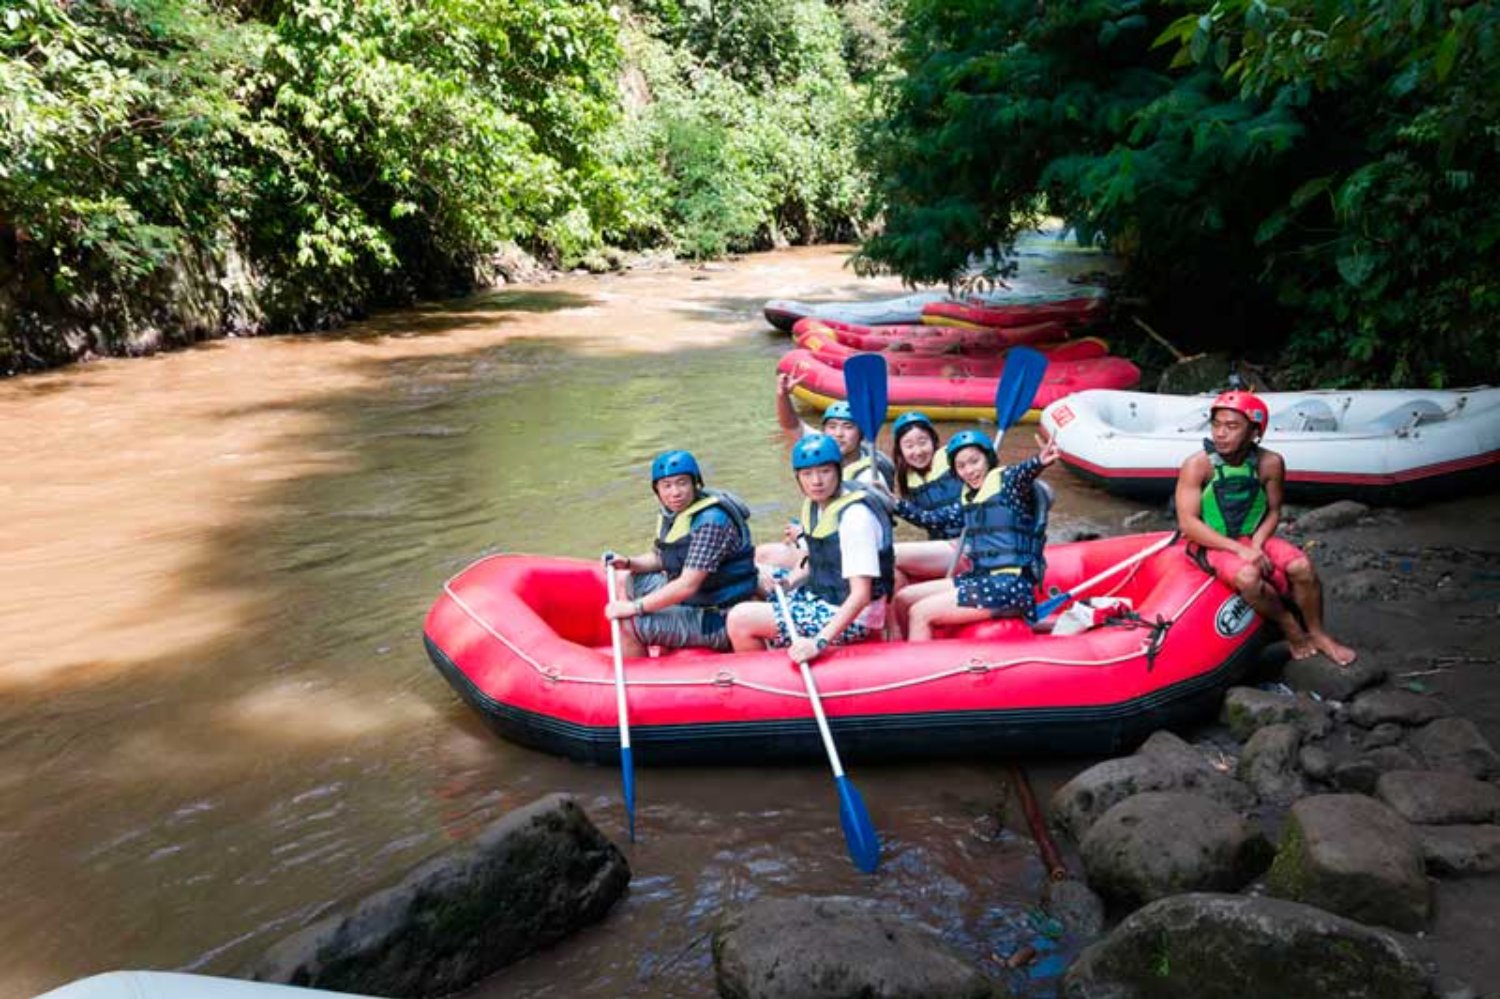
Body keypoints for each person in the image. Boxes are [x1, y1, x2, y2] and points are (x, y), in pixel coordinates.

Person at [1175, 390, 1357, 665]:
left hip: (1253, 536)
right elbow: (1188, 524)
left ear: (1254, 432)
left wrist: (1257, 545)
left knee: (1302, 567)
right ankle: (1290, 626)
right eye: (1216, 424)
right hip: (1210, 543)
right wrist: (1240, 550)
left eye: (1232, 426)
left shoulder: (1271, 463)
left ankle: (1318, 633)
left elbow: (1273, 511)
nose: (1220, 433)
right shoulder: (1197, 466)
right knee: (1248, 577)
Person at [727, 434, 894, 663]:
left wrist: (818, 642)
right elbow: (817, 562)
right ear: (798, 477)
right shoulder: (816, 506)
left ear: (838, 471)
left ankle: (763, 676)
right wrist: (788, 583)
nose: (816, 481)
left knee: (739, 619)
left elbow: (861, 595)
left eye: (825, 471)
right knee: (753, 576)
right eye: (807, 474)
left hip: (853, 617)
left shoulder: (855, 517)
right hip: (820, 596)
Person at [892, 428, 1058, 642]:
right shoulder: (968, 499)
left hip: (1009, 585)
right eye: (961, 466)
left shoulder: (1007, 484)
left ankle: (918, 659)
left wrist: (1040, 461)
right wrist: (894, 503)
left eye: (974, 461)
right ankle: (905, 650)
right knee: (903, 598)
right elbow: (930, 518)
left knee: (919, 612)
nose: (969, 470)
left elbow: (1023, 473)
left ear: (987, 459)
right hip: (980, 578)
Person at [604, 449, 758, 655]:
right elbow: (661, 557)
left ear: (695, 483)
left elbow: (687, 585)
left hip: (717, 617)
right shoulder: (675, 513)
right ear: (657, 490)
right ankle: (663, 639)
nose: (675, 493)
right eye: (666, 486)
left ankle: (643, 666)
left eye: (682, 483)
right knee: (630, 579)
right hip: (699, 597)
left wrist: (635, 608)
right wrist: (629, 562)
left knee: (627, 625)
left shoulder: (711, 522)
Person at [774, 371, 895, 486]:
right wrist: (783, 396)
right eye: (832, 426)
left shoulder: (870, 476)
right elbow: (791, 426)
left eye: (848, 427)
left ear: (861, 433)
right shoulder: (822, 443)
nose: (838, 434)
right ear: (824, 431)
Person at [886, 410, 966, 583]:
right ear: (900, 451)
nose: (918, 451)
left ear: (933, 441)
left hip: (968, 545)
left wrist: (898, 505)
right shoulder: (908, 478)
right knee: (890, 568)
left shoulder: (955, 461)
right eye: (909, 446)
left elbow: (936, 518)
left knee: (889, 556)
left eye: (923, 442)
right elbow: (922, 521)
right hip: (942, 548)